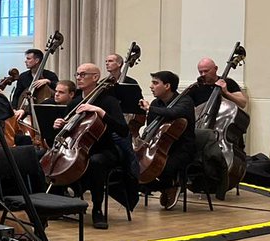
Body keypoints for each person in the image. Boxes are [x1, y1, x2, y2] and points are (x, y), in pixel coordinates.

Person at [52, 63, 131, 229]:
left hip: (105, 149)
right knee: (55, 159)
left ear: (95, 77)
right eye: (77, 74)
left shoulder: (109, 101)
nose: (79, 78)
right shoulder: (75, 103)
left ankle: (97, 209)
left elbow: (123, 130)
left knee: (96, 162)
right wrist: (61, 125)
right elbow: (71, 132)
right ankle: (57, 204)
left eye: (83, 74)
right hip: (78, 148)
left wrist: (100, 112)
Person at [138, 70, 197, 210]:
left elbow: (174, 113)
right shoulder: (156, 103)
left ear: (167, 86)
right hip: (159, 145)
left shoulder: (185, 101)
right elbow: (151, 127)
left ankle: (172, 186)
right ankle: (163, 186)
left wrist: (150, 109)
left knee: (163, 167)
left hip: (181, 147)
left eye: (155, 83)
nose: (151, 87)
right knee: (136, 166)